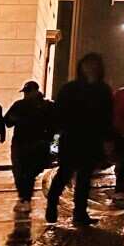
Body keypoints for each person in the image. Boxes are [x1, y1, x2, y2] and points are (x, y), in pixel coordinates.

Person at [46, 53, 114, 227]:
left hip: (92, 138)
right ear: (81, 67)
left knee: (85, 176)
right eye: (87, 64)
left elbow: (107, 116)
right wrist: (56, 138)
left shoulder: (103, 90)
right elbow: (59, 113)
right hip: (72, 136)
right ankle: (52, 204)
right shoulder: (70, 88)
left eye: (94, 65)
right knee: (64, 173)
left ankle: (80, 212)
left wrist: (107, 139)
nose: (91, 68)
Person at [4, 81, 55, 207]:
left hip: (30, 143)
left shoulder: (41, 106)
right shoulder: (44, 106)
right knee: (25, 171)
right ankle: (24, 197)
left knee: (24, 170)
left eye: (27, 92)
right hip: (28, 143)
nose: (25, 95)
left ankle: (25, 197)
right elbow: (8, 121)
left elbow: (8, 121)